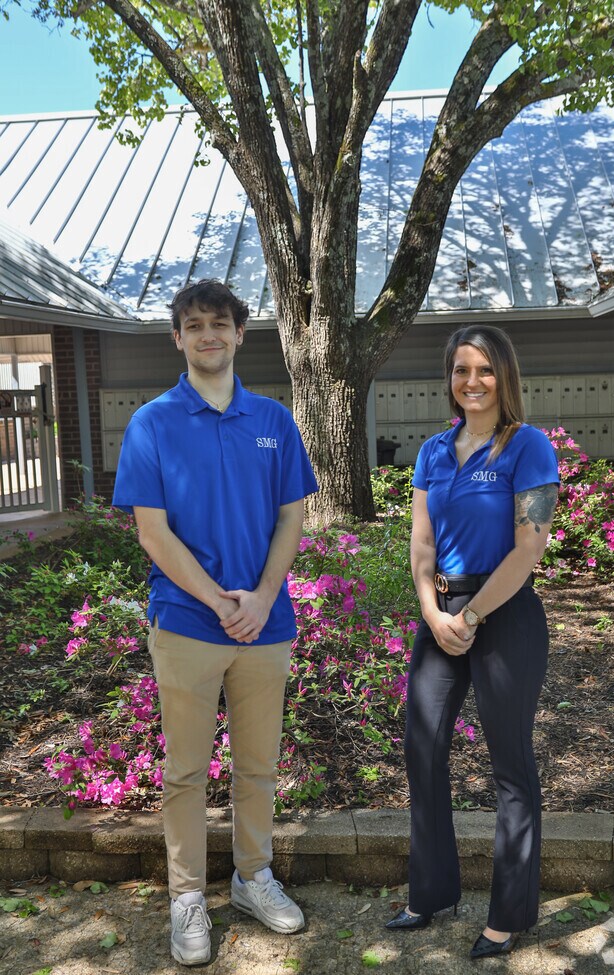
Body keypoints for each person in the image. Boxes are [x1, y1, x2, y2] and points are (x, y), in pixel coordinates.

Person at [112, 279, 318, 966]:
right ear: (177, 337)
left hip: (267, 621)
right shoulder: (153, 423)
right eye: (193, 324)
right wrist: (219, 600)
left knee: (258, 767)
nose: (207, 334)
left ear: (239, 333)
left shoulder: (274, 420)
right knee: (186, 772)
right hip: (185, 623)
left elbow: (292, 514)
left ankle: (254, 877)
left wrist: (261, 595)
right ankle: (186, 896)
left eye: (219, 323)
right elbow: (153, 532)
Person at [386, 325, 559, 959]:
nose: (472, 382)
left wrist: (474, 616)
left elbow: (529, 547)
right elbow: (423, 543)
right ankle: (431, 893)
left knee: (509, 763)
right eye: (461, 370)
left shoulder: (529, 447)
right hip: (444, 612)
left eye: (484, 370)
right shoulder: (433, 451)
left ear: (503, 376)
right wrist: (434, 613)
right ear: (450, 379)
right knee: (422, 750)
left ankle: (510, 913)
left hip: (505, 612)